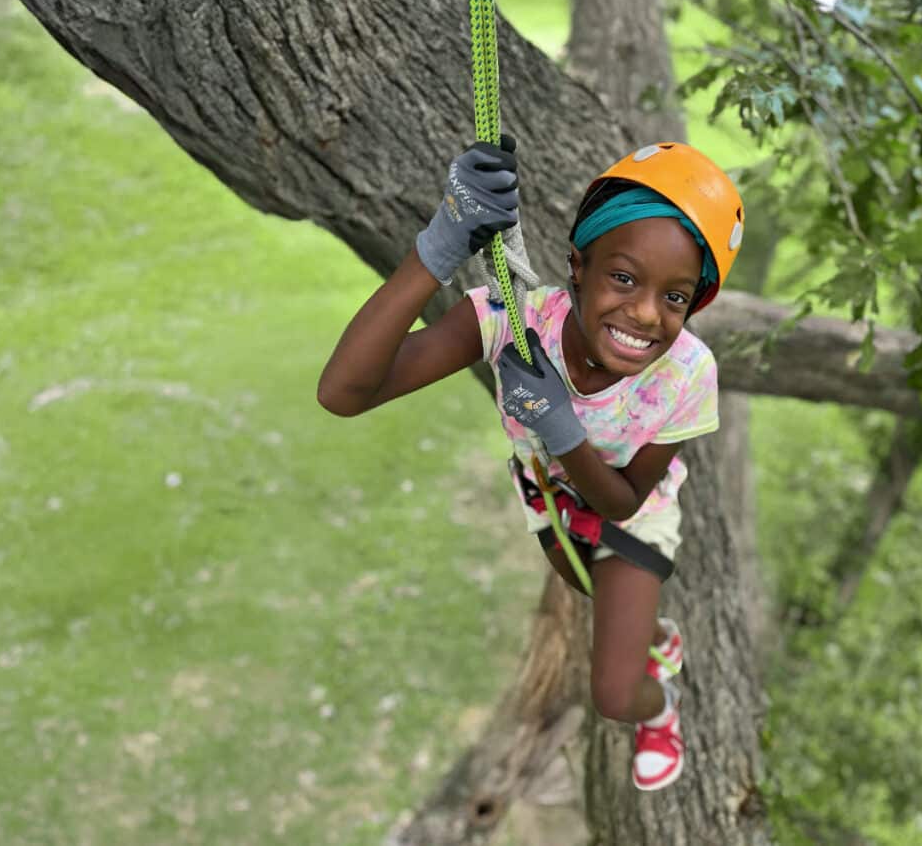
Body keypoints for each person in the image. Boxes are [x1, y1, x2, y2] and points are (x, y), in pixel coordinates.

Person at [317, 136, 744, 793]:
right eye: (623, 277)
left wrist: (559, 426)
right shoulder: (511, 324)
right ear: (577, 264)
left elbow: (627, 500)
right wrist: (437, 249)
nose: (644, 313)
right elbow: (342, 392)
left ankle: (661, 706)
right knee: (590, 589)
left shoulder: (688, 373)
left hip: (632, 519)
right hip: (550, 500)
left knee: (613, 690)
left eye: (676, 297)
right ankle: (657, 634)